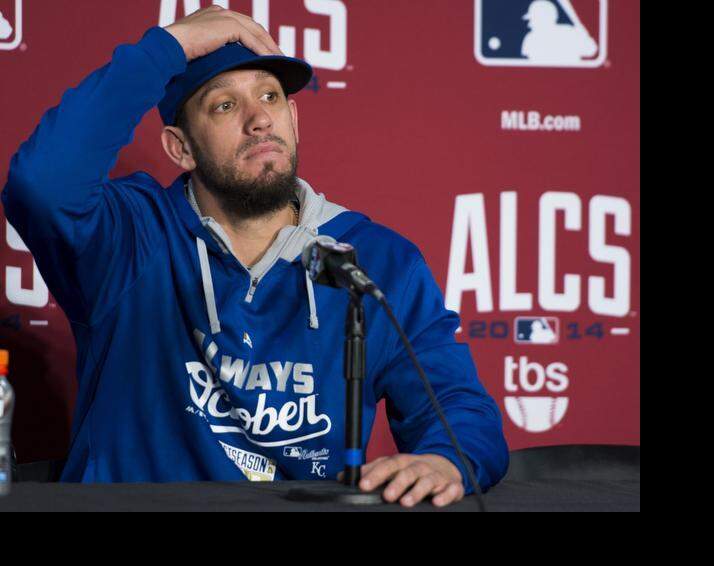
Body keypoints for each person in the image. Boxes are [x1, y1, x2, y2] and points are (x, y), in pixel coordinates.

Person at [0, 6, 508, 507]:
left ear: (294, 118)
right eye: (224, 105)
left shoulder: (375, 260)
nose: (259, 118)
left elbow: (454, 404)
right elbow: (41, 185)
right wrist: (165, 49)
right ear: (180, 148)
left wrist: (447, 458)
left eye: (270, 96)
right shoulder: (129, 235)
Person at [520, 0, 598, 65]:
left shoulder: (570, 33)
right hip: (546, 80)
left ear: (542, 18)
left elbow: (591, 50)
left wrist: (581, 31)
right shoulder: (532, 38)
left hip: (571, 78)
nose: (529, 24)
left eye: (533, 19)